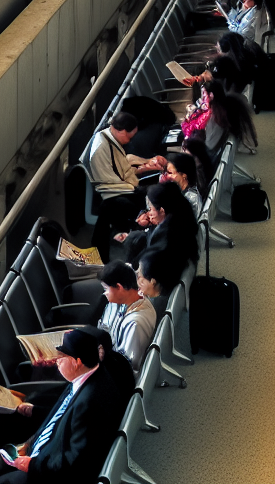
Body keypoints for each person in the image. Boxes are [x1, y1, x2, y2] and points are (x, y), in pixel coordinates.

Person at [0, 328, 132, 484]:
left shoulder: (89, 403)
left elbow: (75, 463)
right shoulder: (89, 375)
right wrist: (32, 430)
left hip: (53, 473)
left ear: (77, 362)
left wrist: (32, 465)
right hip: (46, 450)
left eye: (61, 356)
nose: (56, 360)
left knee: (0, 482)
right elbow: (61, 418)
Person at [81, 112, 154, 259]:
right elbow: (108, 182)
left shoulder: (110, 139)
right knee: (141, 201)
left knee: (147, 193)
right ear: (120, 131)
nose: (129, 141)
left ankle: (101, 251)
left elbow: (122, 170)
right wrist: (134, 189)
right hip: (110, 192)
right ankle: (141, 238)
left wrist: (146, 167)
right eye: (129, 137)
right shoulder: (101, 148)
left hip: (117, 188)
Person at [111, 180, 200, 270]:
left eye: (150, 209)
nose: (149, 214)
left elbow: (148, 272)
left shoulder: (165, 239)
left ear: (161, 210)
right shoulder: (181, 222)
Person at [95, 261, 156, 372]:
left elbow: (128, 367)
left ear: (119, 287)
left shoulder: (135, 324)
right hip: (106, 352)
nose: (105, 293)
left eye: (106, 289)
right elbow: (104, 327)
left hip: (118, 373)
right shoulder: (120, 301)